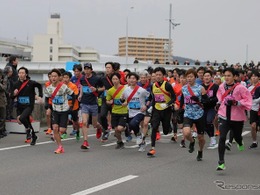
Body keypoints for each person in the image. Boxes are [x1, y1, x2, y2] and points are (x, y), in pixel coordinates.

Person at [216, 67, 252, 171]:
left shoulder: (240, 88)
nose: (226, 78)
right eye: (225, 75)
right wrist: (218, 103)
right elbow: (220, 96)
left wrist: (237, 103)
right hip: (223, 116)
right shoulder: (221, 86)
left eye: (229, 76)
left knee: (237, 137)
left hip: (237, 118)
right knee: (222, 137)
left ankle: (240, 142)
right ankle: (221, 162)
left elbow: (248, 100)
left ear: (235, 77)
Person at [147, 67, 176, 157]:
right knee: (154, 127)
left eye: (160, 75)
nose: (158, 76)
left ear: (163, 76)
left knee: (166, 131)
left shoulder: (167, 85)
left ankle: (169, 127)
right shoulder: (153, 85)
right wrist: (150, 105)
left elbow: (173, 97)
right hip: (156, 109)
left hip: (166, 110)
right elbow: (152, 97)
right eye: (156, 75)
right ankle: (152, 148)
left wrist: (167, 104)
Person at [44, 69, 75, 153]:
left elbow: (73, 94)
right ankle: (60, 146)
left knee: (62, 130)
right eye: (52, 76)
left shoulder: (64, 86)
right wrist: (48, 106)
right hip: (55, 110)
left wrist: (72, 106)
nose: (53, 78)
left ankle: (65, 124)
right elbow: (47, 98)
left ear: (59, 77)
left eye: (55, 76)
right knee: (55, 128)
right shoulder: (48, 88)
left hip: (64, 110)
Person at [181, 69, 207, 161]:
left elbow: (206, 102)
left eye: (191, 76)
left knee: (201, 137)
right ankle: (192, 141)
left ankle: (200, 151)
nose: (189, 78)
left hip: (199, 114)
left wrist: (198, 100)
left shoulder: (201, 88)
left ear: (195, 77)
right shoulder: (183, 88)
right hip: (188, 113)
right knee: (186, 132)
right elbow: (182, 101)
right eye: (187, 77)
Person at [12, 67, 43, 145]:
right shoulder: (16, 84)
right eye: (20, 73)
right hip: (20, 106)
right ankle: (34, 136)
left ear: (26, 74)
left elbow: (39, 85)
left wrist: (40, 95)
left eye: (23, 73)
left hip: (29, 105)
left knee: (22, 118)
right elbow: (11, 96)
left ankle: (28, 129)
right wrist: (14, 94)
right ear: (18, 74)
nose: (21, 74)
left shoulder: (31, 83)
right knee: (25, 121)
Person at [78, 63, 104, 150]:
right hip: (84, 103)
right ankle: (85, 141)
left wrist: (96, 89)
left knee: (94, 124)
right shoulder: (82, 78)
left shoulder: (96, 79)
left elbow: (103, 88)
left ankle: (99, 128)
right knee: (84, 122)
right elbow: (81, 86)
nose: (86, 70)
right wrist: (80, 95)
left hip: (93, 103)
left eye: (88, 69)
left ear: (91, 69)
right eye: (85, 69)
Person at [121, 72, 150, 149]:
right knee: (131, 125)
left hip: (140, 111)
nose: (132, 80)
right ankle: (142, 142)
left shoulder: (142, 90)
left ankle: (139, 136)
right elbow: (123, 99)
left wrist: (146, 106)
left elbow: (150, 98)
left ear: (137, 80)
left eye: (134, 78)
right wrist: (122, 100)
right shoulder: (126, 90)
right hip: (130, 112)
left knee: (133, 124)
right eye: (130, 78)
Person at [106, 73, 127, 149]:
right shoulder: (110, 91)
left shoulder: (125, 88)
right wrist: (110, 102)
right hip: (114, 111)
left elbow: (129, 98)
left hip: (123, 111)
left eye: (116, 79)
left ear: (119, 79)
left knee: (120, 128)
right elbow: (107, 100)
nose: (114, 81)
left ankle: (126, 128)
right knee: (116, 130)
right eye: (113, 79)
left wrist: (125, 102)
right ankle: (120, 142)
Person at [202, 70, 219, 149]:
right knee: (204, 125)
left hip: (212, 108)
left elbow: (218, 97)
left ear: (211, 77)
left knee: (209, 121)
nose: (206, 77)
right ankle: (211, 137)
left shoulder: (215, 86)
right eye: (205, 76)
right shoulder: (200, 86)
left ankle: (213, 139)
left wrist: (211, 100)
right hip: (202, 108)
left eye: (208, 76)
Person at [99, 62, 114, 141]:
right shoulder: (103, 79)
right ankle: (105, 130)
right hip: (105, 100)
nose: (107, 69)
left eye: (109, 68)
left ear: (113, 69)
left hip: (115, 101)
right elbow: (101, 87)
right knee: (102, 115)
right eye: (106, 67)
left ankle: (126, 129)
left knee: (115, 121)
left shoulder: (116, 78)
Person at [63, 71, 80, 140]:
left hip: (73, 106)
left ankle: (78, 131)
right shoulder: (61, 86)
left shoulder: (73, 86)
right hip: (64, 106)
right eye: (64, 77)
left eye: (67, 77)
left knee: (75, 121)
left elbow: (75, 95)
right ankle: (64, 133)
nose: (65, 79)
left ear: (70, 78)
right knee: (65, 119)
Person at [247, 70, 260, 149]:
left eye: (255, 76)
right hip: (252, 109)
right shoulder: (249, 88)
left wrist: (256, 101)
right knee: (253, 126)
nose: (254, 78)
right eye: (252, 76)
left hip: (259, 109)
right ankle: (254, 142)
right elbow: (248, 99)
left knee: (259, 128)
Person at [5, 55, 18, 119]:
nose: (18, 61)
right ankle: (8, 116)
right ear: (13, 61)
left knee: (11, 102)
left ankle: (10, 115)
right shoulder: (9, 67)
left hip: (13, 88)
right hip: (10, 88)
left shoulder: (13, 67)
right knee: (9, 102)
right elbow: (7, 78)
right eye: (16, 60)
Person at [0, 69, 8, 138]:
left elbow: (4, 88)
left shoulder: (3, 81)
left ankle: (1, 131)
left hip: (2, 101)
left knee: (3, 117)